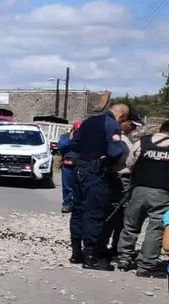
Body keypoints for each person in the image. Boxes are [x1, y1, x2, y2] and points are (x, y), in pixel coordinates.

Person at [68, 103, 130, 270]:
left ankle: (76, 253)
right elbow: (115, 151)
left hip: (79, 169)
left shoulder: (88, 121)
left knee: (78, 210)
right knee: (94, 213)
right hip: (95, 172)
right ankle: (91, 257)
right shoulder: (111, 124)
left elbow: (74, 143)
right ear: (121, 116)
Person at [114, 119, 169, 278]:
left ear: (160, 129)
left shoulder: (142, 143)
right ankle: (146, 265)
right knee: (156, 228)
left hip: (139, 189)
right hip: (163, 193)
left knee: (131, 225)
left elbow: (129, 163)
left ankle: (124, 259)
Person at [105, 112, 142, 255]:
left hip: (124, 178)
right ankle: (111, 246)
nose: (133, 128)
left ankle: (115, 245)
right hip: (120, 178)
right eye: (132, 125)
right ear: (124, 121)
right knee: (117, 214)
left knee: (121, 215)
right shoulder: (119, 138)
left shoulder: (127, 138)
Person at [58, 121, 81, 213]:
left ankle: (77, 205)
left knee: (79, 186)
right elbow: (61, 146)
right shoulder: (65, 136)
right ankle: (67, 204)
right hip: (67, 164)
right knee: (67, 186)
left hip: (79, 165)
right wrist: (70, 139)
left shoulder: (84, 137)